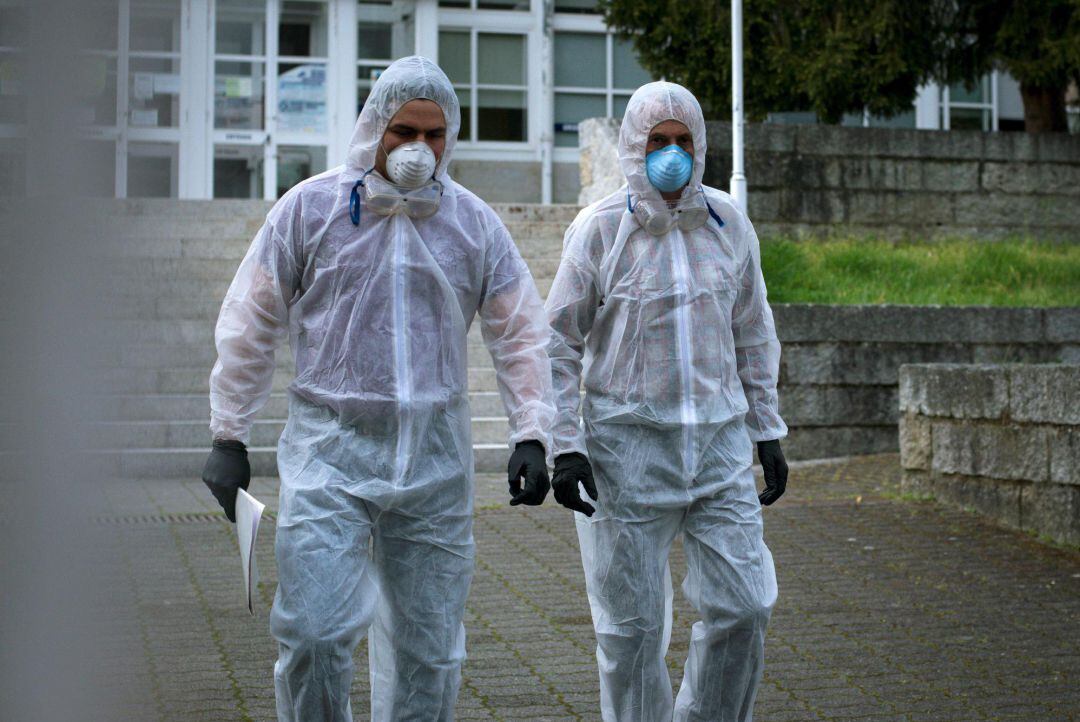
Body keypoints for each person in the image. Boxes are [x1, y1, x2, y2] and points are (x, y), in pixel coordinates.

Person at [200, 56, 555, 721]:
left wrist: (532, 432)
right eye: (403, 132)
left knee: (431, 650)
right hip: (330, 455)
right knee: (312, 633)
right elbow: (251, 321)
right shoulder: (312, 210)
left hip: (435, 462)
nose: (419, 150)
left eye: (434, 134)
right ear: (374, 128)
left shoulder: (473, 225)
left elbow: (520, 333)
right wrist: (229, 433)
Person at [545, 81, 789, 721]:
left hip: (718, 450)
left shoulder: (728, 223)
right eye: (659, 141)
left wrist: (766, 427)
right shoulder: (600, 231)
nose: (673, 154)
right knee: (630, 632)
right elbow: (558, 342)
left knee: (746, 604)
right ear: (634, 146)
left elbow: (753, 328)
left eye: (684, 141)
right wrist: (564, 446)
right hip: (625, 457)